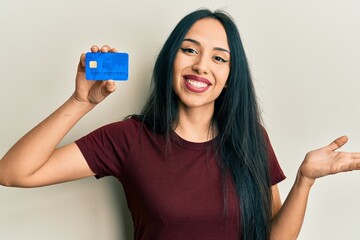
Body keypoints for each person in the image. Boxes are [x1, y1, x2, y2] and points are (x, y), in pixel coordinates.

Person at [0, 8, 359, 240]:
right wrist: (80, 102)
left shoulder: (251, 139)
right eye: (189, 50)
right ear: (170, 60)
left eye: (219, 58)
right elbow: (13, 173)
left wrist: (305, 180)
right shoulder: (128, 139)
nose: (202, 65)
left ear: (230, 76)